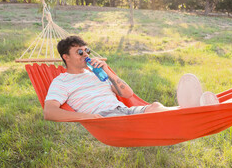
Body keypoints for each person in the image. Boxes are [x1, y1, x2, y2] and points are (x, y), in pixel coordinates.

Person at [44, 36, 218, 121]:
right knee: (148, 119)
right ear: (66, 57)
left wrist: (108, 72)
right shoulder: (61, 81)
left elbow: (128, 94)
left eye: (86, 50)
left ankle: (193, 109)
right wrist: (86, 118)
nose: (85, 55)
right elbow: (49, 112)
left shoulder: (96, 73)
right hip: (106, 117)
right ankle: (194, 111)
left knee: (156, 106)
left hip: (122, 110)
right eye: (79, 52)